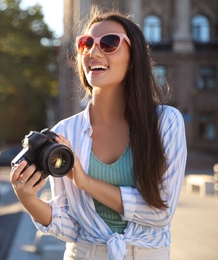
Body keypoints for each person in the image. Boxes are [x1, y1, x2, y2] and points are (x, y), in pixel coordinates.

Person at [10, 5, 187, 260]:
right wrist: (28, 200)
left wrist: (86, 182)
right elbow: (70, 227)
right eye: (86, 43)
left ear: (133, 55)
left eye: (109, 43)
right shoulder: (65, 131)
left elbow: (160, 213)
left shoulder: (166, 122)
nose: (93, 51)